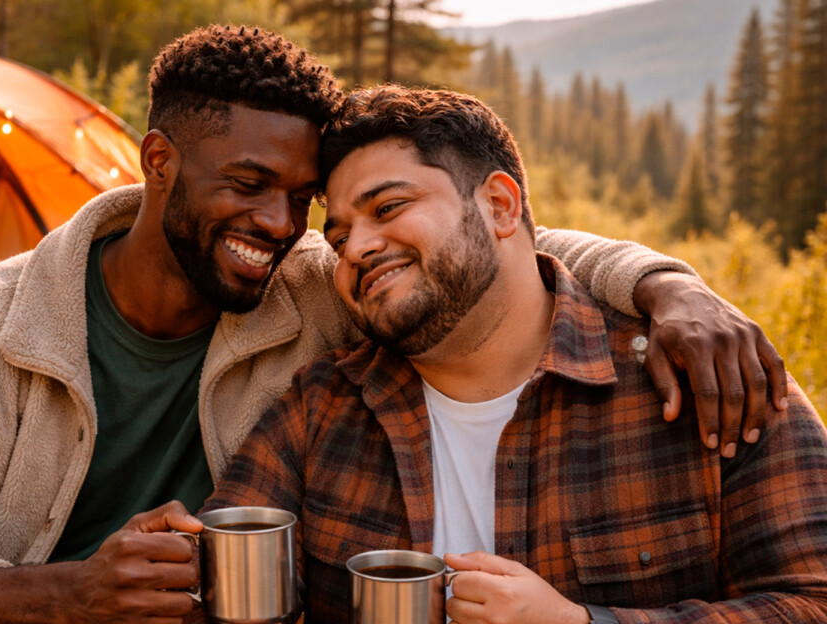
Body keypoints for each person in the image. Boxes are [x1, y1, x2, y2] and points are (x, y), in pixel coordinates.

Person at [0, 26, 788, 624]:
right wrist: (63, 598)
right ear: (159, 162)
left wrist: (670, 286)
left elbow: (489, 249)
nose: (281, 226)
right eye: (250, 185)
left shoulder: (313, 285)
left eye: (304, 200)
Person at [202, 85, 827, 623]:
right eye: (337, 239)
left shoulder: (703, 377)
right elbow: (208, 586)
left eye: (388, 208)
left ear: (500, 205)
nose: (356, 248)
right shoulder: (319, 411)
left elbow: (812, 601)